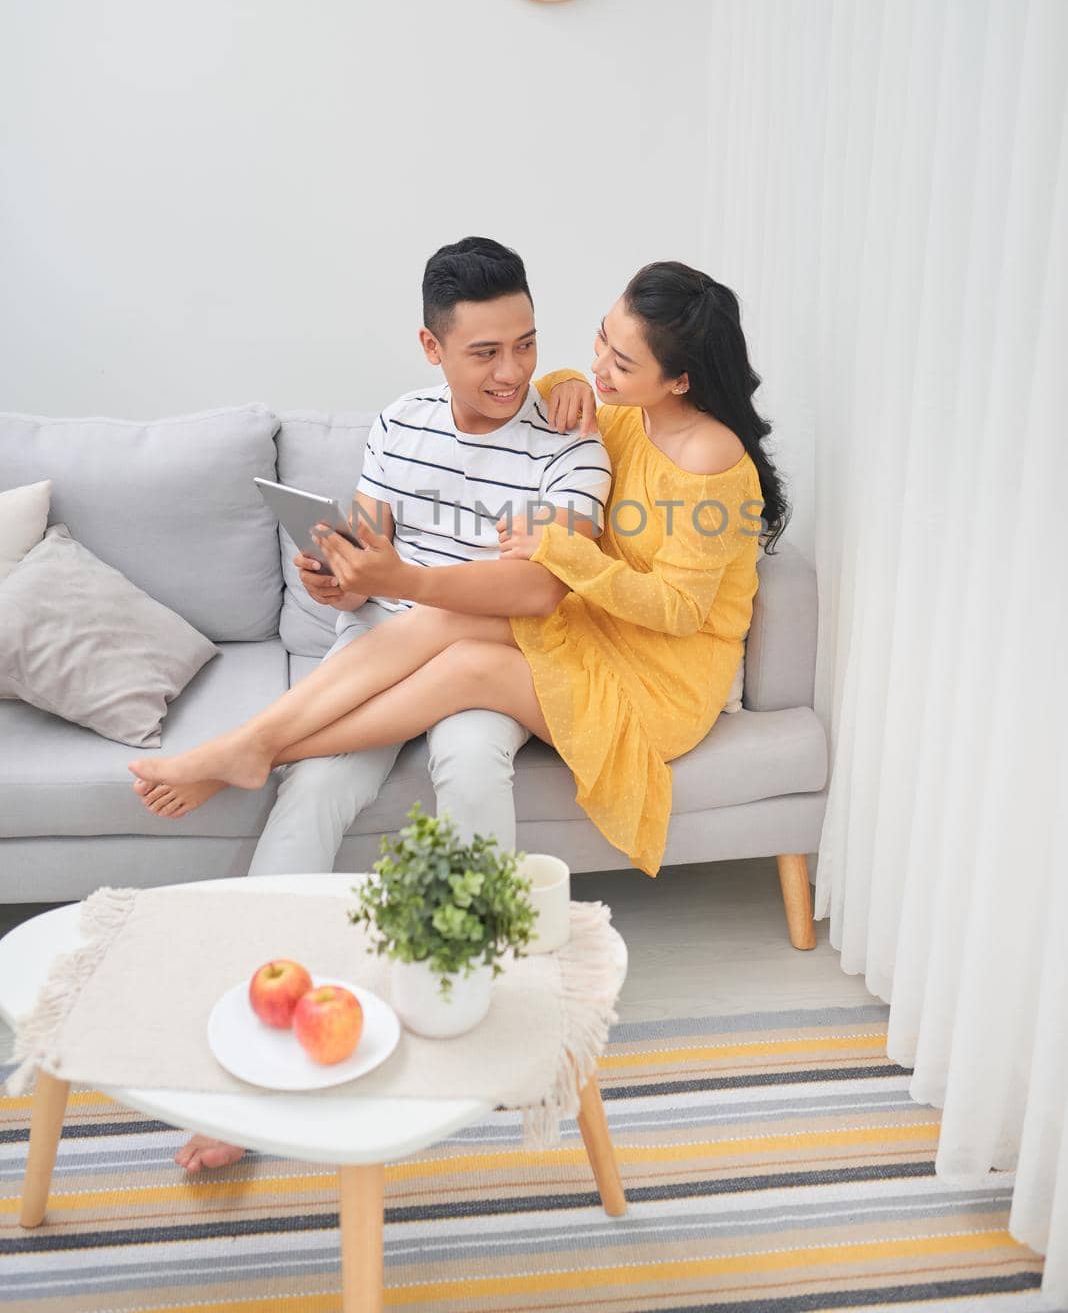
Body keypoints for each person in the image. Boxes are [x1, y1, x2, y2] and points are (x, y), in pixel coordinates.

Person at [130, 259, 790, 1166]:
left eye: (617, 359)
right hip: (564, 630)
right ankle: (263, 794)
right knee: (439, 652)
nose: (579, 365)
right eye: (595, 337)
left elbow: (664, 606)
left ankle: (262, 753)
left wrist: (567, 552)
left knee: (470, 673)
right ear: (436, 348)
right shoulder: (601, 409)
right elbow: (555, 403)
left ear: (677, 377)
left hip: (658, 672)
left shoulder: (707, 458)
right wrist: (345, 568)